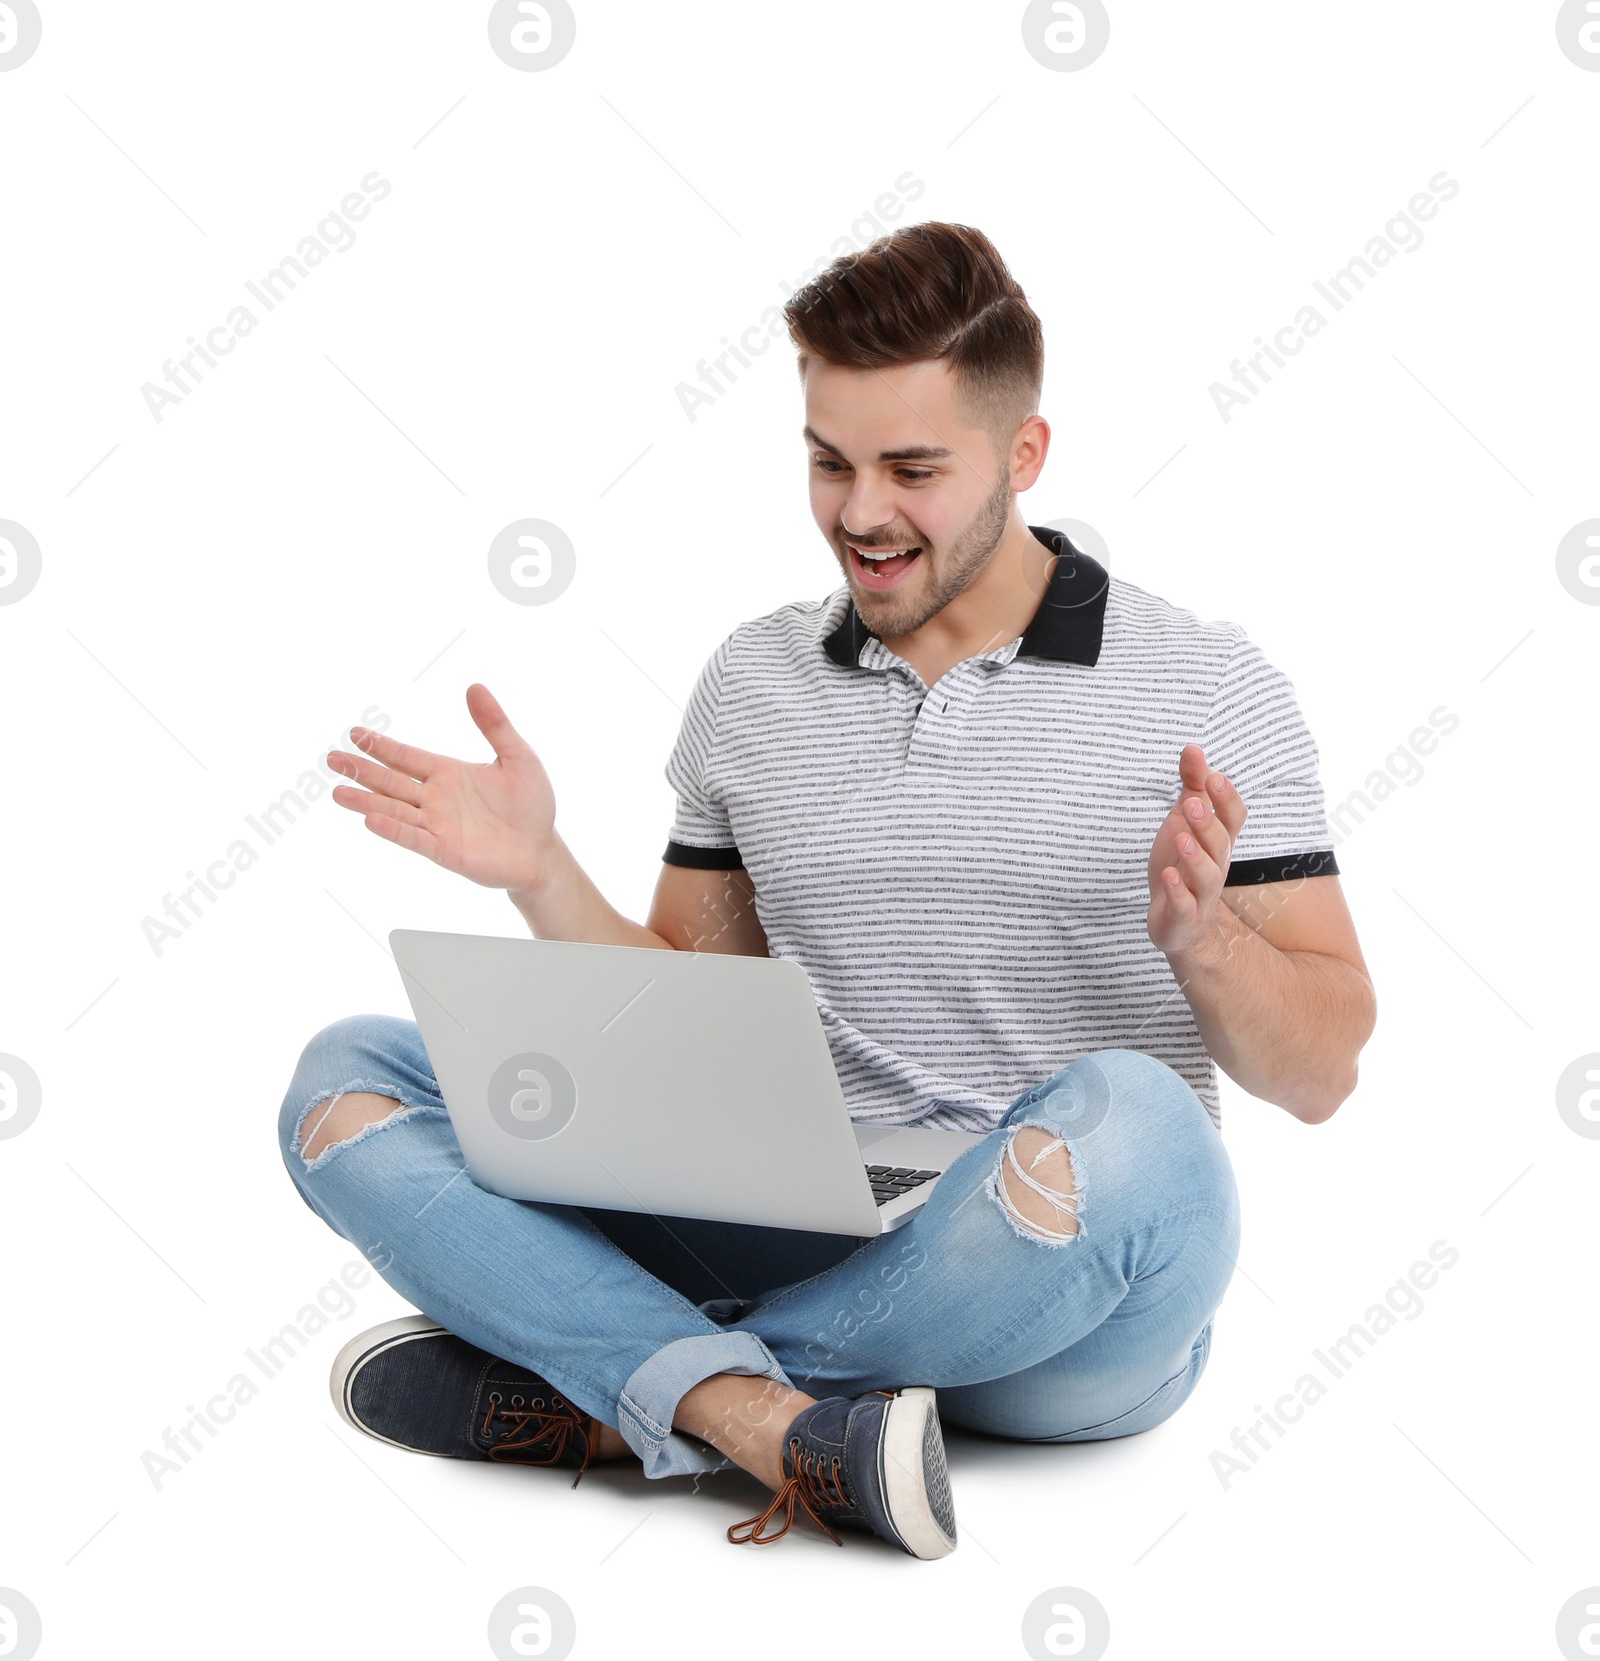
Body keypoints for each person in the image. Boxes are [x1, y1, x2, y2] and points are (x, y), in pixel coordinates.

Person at [278, 221, 1376, 1561]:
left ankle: (623, 1390)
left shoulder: (1205, 680)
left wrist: (1207, 944)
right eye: (829, 462)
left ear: (1023, 458)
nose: (860, 512)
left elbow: (1324, 1068)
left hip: (1050, 1291)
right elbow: (684, 1020)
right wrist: (540, 870)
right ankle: (764, 1421)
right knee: (348, 1082)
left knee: (1149, 1132)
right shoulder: (754, 681)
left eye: (913, 469)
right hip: (775, 1219)